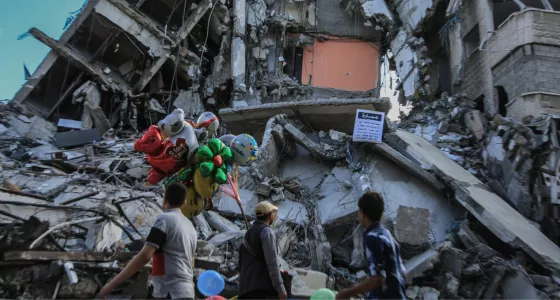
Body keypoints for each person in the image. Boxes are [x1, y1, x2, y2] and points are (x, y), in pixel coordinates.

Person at [97, 182, 198, 299]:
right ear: (184, 203)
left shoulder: (165, 219)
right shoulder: (191, 227)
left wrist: (110, 286)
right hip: (188, 292)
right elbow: (191, 262)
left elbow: (145, 256)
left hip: (169, 292)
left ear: (164, 199)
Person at [336, 192, 406, 300]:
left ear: (362, 213)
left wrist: (347, 293)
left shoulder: (372, 238)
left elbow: (378, 278)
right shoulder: (388, 236)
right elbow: (402, 274)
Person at [238, 201, 287, 300]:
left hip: (245, 289)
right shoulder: (266, 232)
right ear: (270, 215)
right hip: (260, 290)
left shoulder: (249, 232)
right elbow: (272, 262)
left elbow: (241, 261)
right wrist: (281, 288)